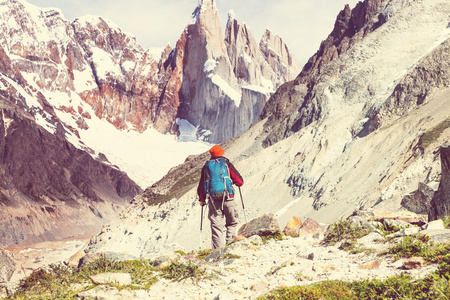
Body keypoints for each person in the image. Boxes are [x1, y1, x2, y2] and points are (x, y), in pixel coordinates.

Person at [197, 145, 244, 249]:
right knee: (231, 223)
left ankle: (218, 252)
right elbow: (239, 182)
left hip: (213, 201)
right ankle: (230, 248)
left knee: (216, 227)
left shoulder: (207, 166)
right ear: (221, 153)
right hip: (228, 198)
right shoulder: (226, 164)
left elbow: (201, 185)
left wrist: (201, 199)